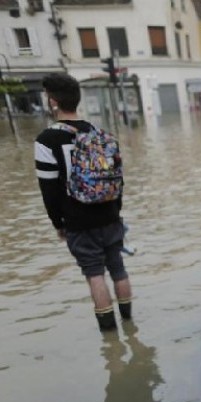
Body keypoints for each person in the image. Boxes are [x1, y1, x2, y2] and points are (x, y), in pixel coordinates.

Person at [35, 73, 133, 332]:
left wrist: (59, 223)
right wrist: (115, 212)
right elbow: (118, 180)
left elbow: (49, 190)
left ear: (53, 102)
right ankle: (129, 323)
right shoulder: (101, 134)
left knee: (94, 274)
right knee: (118, 268)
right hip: (111, 214)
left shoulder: (46, 140)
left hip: (78, 220)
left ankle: (110, 334)